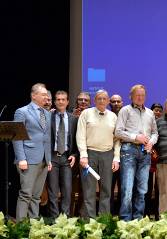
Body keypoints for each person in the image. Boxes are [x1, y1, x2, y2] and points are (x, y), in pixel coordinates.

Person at [115, 84, 158, 220]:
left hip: (145, 153)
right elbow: (118, 131)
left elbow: (155, 133)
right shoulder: (125, 110)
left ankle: (138, 219)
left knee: (143, 189)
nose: (140, 97)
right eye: (137, 95)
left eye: (142, 95)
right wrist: (135, 137)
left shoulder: (150, 113)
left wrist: (151, 142)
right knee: (127, 189)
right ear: (131, 96)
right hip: (129, 150)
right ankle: (126, 220)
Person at [77, 90, 120, 218]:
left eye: (104, 98)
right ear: (95, 100)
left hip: (108, 154)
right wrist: (83, 155)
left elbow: (117, 140)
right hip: (90, 154)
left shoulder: (113, 116)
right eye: (99, 98)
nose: (102, 101)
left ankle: (104, 219)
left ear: (108, 101)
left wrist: (116, 158)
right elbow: (80, 135)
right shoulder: (86, 113)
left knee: (106, 190)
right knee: (89, 190)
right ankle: (88, 221)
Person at [13, 83, 52, 220]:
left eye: (47, 96)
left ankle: (33, 225)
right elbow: (17, 137)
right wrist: (21, 158)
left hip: (43, 160)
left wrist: (48, 159)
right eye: (43, 95)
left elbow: (46, 138)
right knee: (26, 194)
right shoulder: (22, 111)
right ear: (34, 95)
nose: (46, 98)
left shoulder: (47, 114)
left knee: (36, 195)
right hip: (28, 159)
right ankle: (21, 227)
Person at [47, 90, 78, 218]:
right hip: (52, 157)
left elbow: (77, 140)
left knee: (67, 190)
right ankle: (54, 219)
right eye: (58, 99)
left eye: (63, 99)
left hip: (66, 158)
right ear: (54, 102)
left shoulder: (73, 119)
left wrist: (75, 155)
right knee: (53, 191)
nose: (60, 101)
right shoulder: (49, 117)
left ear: (67, 102)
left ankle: (65, 219)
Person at [145, 102, 163, 216]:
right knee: (146, 188)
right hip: (147, 160)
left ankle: (157, 213)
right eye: (155, 110)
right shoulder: (147, 123)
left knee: (159, 189)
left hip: (160, 161)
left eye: (160, 110)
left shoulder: (162, 124)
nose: (158, 112)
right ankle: (146, 213)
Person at [109, 94, 123, 214]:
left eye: (118, 101)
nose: (116, 103)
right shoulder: (108, 117)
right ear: (110, 103)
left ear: (122, 103)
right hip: (110, 157)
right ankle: (110, 214)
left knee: (124, 188)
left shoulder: (126, 116)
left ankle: (121, 214)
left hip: (127, 157)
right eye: (113, 102)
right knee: (110, 187)